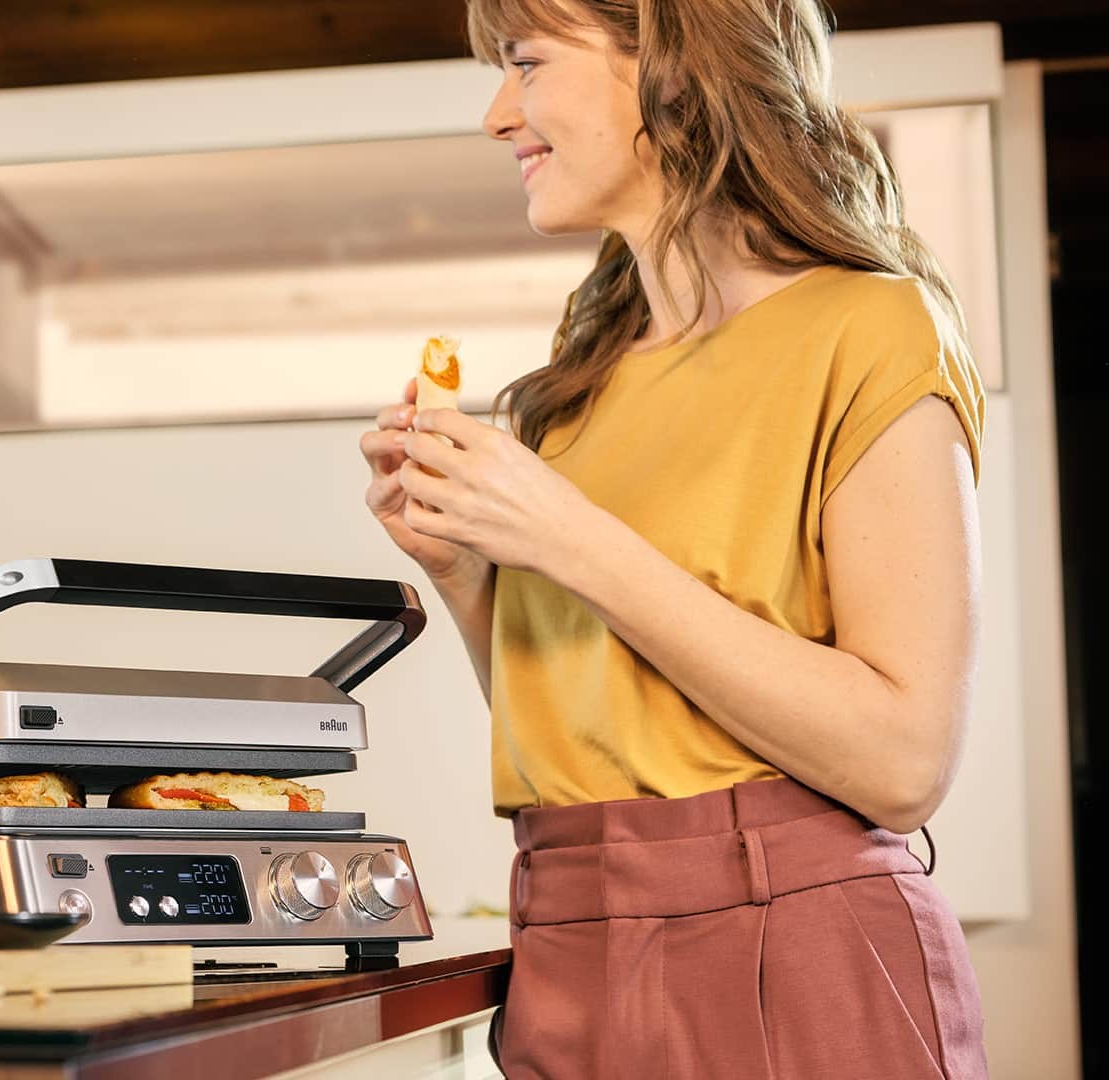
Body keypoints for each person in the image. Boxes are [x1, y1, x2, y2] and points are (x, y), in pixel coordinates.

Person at [359, 0, 987, 1075]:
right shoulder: (579, 389)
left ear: (670, 64)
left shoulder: (868, 326)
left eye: (526, 63)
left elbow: (901, 762)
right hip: (567, 930)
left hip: (793, 940)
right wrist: (470, 574)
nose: (498, 114)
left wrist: (565, 534)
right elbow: (592, 731)